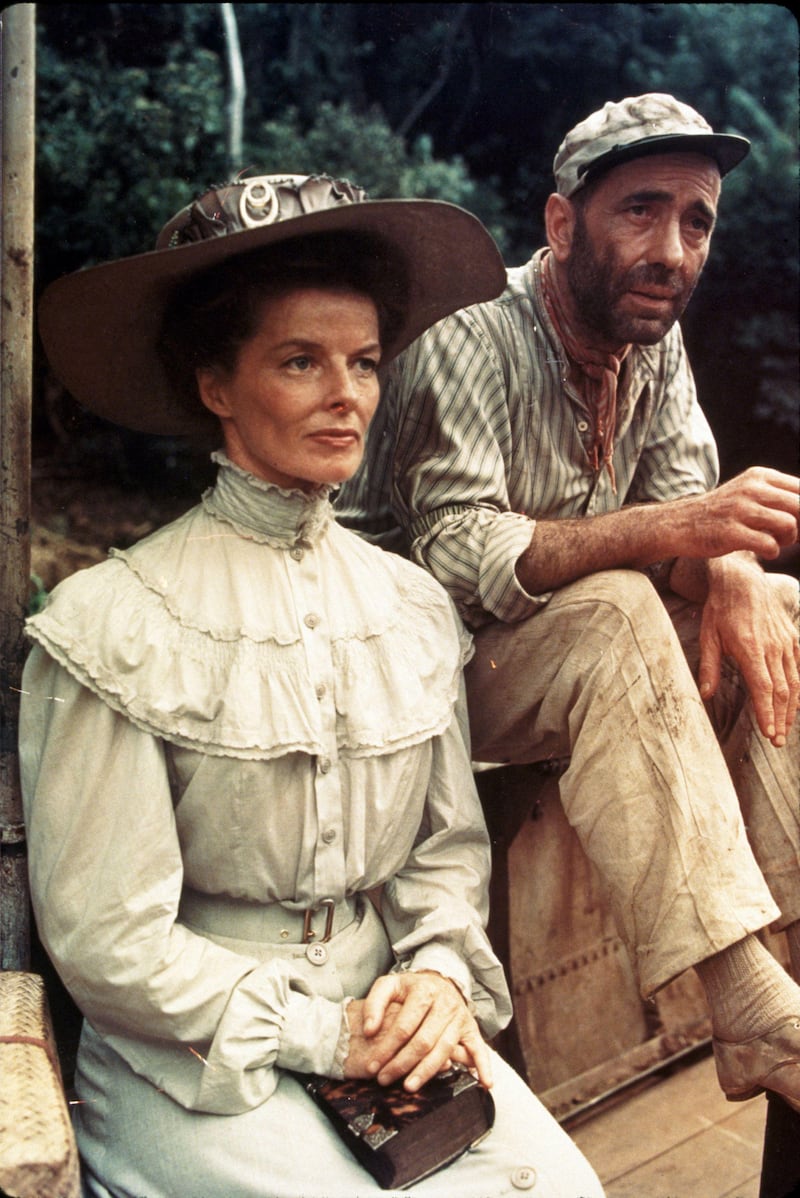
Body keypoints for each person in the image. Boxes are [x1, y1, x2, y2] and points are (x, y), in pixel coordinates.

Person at [19, 173, 605, 1198]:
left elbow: (441, 852)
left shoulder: (412, 608)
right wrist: (317, 1032)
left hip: (387, 1019)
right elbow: (107, 938)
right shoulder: (112, 627)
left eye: (365, 362)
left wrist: (431, 977)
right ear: (216, 383)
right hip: (189, 1056)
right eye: (301, 361)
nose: (348, 397)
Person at [335, 95, 800, 1112]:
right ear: (559, 224)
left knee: (780, 607)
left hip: (545, 659)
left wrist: (730, 569)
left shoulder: (651, 341)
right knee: (614, 609)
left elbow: (688, 526)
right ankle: (744, 1003)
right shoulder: (469, 329)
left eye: (695, 220)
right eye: (639, 210)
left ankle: (789, 949)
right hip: (405, 668)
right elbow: (456, 554)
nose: (671, 250)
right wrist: (679, 535)